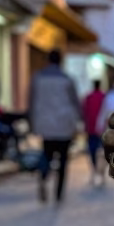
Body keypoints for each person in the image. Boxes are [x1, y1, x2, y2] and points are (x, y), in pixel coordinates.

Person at [29, 49, 81, 203]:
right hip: (64, 125)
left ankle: (43, 178)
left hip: (45, 124)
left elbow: (31, 102)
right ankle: (58, 193)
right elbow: (75, 103)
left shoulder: (38, 78)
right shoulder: (67, 79)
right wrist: (77, 124)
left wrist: (32, 122)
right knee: (63, 160)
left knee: (46, 154)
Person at [82, 79, 106, 185]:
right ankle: (101, 172)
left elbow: (83, 112)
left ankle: (94, 169)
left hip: (91, 128)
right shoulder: (104, 97)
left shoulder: (88, 97)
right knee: (104, 151)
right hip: (103, 129)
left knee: (92, 151)